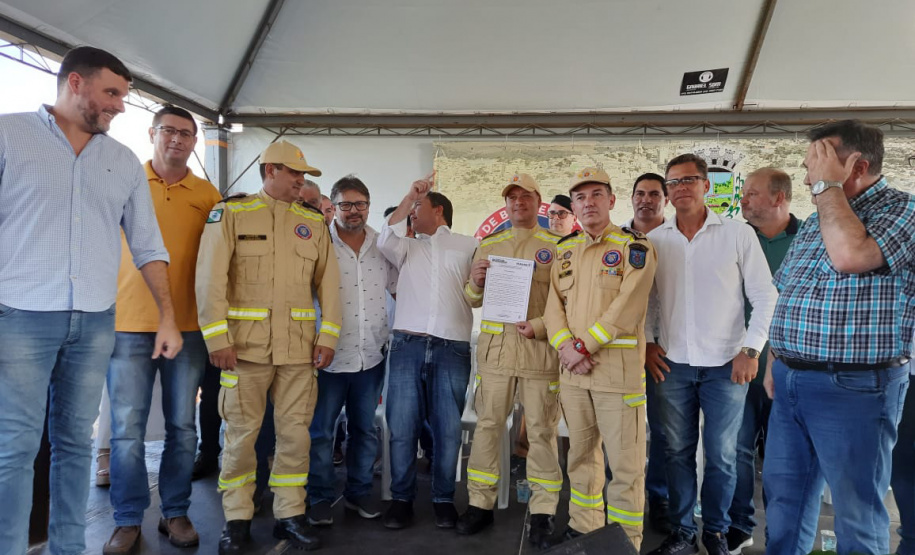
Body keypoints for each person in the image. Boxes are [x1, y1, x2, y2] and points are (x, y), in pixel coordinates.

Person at [0, 46, 183, 555]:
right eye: (112, 93)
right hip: (19, 318)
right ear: (75, 83)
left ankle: (67, 549)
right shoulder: (8, 136)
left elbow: (148, 245)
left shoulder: (120, 160)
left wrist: (167, 316)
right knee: (13, 451)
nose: (121, 106)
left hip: (97, 322)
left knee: (77, 446)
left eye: (124, 96)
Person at [764, 120, 915, 555]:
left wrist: (829, 188)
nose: (807, 174)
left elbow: (852, 256)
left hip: (855, 389)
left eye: (818, 161)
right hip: (792, 381)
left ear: (857, 166)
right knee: (784, 504)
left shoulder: (902, 211)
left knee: (856, 514)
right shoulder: (815, 223)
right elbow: (788, 291)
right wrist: (777, 359)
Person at [196, 139, 341, 553]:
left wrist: (328, 335)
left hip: (298, 351)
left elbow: (329, 285)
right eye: (294, 173)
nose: (301, 181)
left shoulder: (312, 223)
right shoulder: (231, 213)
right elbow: (210, 279)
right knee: (241, 437)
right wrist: (217, 338)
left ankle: (290, 515)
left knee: (295, 437)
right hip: (244, 350)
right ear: (269, 171)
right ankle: (237, 520)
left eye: (304, 175)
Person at [102, 106, 221, 553]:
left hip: (189, 327)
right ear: (152, 133)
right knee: (127, 430)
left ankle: (175, 512)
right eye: (169, 130)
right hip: (127, 324)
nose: (177, 139)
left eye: (186, 134)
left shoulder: (208, 196)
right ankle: (127, 519)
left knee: (182, 427)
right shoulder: (123, 180)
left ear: (195, 142)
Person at [645, 153, 777, 555]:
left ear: (706, 185)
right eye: (674, 182)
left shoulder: (738, 234)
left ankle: (716, 532)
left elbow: (765, 296)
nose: (681, 187)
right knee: (676, 451)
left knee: (721, 455)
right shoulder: (654, 241)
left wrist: (751, 349)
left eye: (689, 180)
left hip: (727, 366)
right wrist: (649, 342)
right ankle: (683, 533)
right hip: (673, 365)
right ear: (668, 193)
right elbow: (647, 302)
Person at [543, 167, 657, 550]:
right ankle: (584, 530)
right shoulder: (564, 250)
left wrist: (582, 347)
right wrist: (565, 348)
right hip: (574, 377)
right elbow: (552, 307)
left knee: (625, 467)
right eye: (580, 197)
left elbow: (628, 306)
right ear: (572, 205)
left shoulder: (634, 247)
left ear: (611, 200)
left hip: (616, 375)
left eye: (596, 195)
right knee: (580, 459)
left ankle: (626, 542)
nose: (587, 202)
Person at [455, 174, 562, 549]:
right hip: (497, 355)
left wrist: (539, 326)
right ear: (506, 205)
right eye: (512, 197)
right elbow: (470, 299)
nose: (519, 203)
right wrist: (476, 281)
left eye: (526, 197)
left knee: (542, 432)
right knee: (487, 427)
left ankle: (543, 511)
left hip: (540, 354)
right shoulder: (490, 244)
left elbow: (566, 304)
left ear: (538, 202)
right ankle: (479, 505)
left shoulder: (558, 245)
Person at [377, 173, 477, 530]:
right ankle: (401, 499)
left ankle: (443, 499)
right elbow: (386, 234)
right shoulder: (406, 245)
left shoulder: (469, 245)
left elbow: (481, 289)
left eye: (418, 208)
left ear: (438, 211)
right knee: (402, 426)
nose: (411, 214)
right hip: (408, 344)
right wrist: (410, 195)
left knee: (448, 429)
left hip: (452, 347)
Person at [307, 175, 397, 526]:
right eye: (345, 204)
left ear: (368, 206)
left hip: (370, 355)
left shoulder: (381, 244)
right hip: (327, 355)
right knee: (321, 433)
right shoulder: (318, 242)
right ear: (334, 206)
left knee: (364, 431)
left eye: (360, 204)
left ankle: (358, 494)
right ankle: (319, 497)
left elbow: (397, 288)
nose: (354, 211)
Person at [725, 167, 801, 554]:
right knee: (736, 451)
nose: (744, 200)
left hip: (792, 369)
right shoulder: (735, 238)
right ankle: (739, 526)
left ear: (778, 197)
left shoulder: (811, 239)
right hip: (741, 366)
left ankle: (783, 536)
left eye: (752, 193)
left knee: (784, 458)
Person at [625, 173, 671, 535]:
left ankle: (659, 498)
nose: (646, 200)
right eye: (640, 193)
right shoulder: (616, 239)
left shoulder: (673, 240)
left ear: (665, 199)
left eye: (654, 194)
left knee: (662, 431)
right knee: (619, 431)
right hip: (621, 352)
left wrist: (651, 342)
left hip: (661, 353)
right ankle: (617, 495)